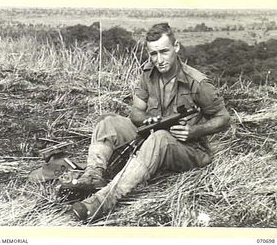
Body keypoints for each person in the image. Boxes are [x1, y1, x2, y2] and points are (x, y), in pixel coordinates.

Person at [62, 23, 230, 222]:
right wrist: (146, 120)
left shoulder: (198, 82)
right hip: (151, 134)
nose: (159, 60)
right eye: (153, 54)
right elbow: (136, 112)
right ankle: (92, 177)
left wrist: (194, 131)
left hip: (189, 149)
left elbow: (224, 119)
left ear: (176, 47)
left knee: (160, 138)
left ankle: (102, 201)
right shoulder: (148, 73)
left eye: (164, 52)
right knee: (107, 122)